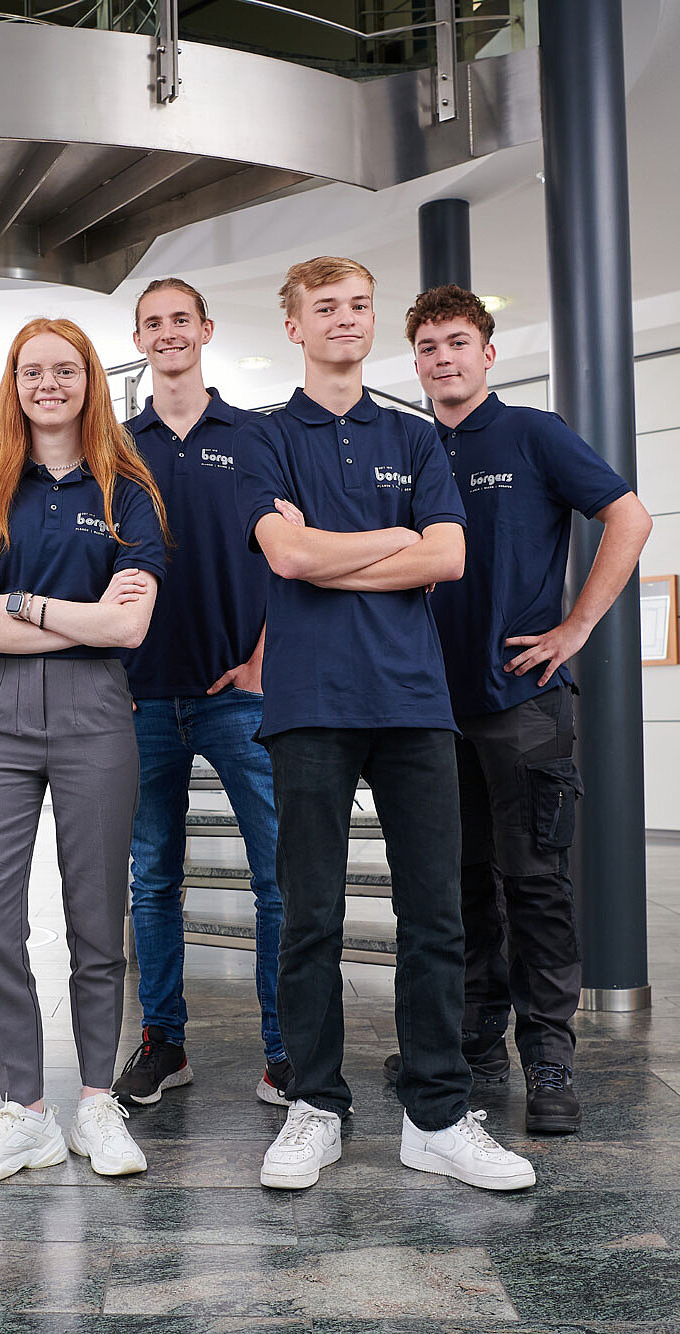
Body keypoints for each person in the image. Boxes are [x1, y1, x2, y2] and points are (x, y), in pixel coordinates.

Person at [236, 256, 535, 1192]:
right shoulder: (263, 436)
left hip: (413, 702)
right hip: (309, 704)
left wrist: (339, 556)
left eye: (358, 306)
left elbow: (446, 558)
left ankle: (438, 1115)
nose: (345, 319)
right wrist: (389, 541)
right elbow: (283, 555)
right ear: (294, 325)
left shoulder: (413, 440)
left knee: (437, 916)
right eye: (325, 308)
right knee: (310, 917)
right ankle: (315, 1106)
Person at [396, 284, 651, 1133]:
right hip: (431, 709)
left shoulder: (533, 434)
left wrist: (577, 625)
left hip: (524, 704)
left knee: (535, 884)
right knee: (461, 884)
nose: (444, 358)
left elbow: (630, 517)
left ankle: (549, 1057)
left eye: (457, 342)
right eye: (429, 346)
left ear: (487, 353)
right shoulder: (412, 446)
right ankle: (476, 1041)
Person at [0, 317, 168, 1185]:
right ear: (13, 382)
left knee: (95, 917)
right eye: (31, 370)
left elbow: (131, 624)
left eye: (63, 370)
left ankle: (98, 1100)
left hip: (97, 713)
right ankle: (24, 1110)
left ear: (88, 381)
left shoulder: (129, 493)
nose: (48, 384)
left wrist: (24, 604)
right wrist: (76, 617)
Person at [113, 277, 289, 1109]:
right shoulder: (112, 444)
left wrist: (262, 657)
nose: (169, 333)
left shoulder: (257, 436)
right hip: (142, 697)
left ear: (206, 330)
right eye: (154, 324)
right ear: (140, 340)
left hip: (241, 693)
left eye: (181, 319)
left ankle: (285, 1050)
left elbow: (296, 555)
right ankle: (162, 1043)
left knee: (278, 877)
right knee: (152, 880)